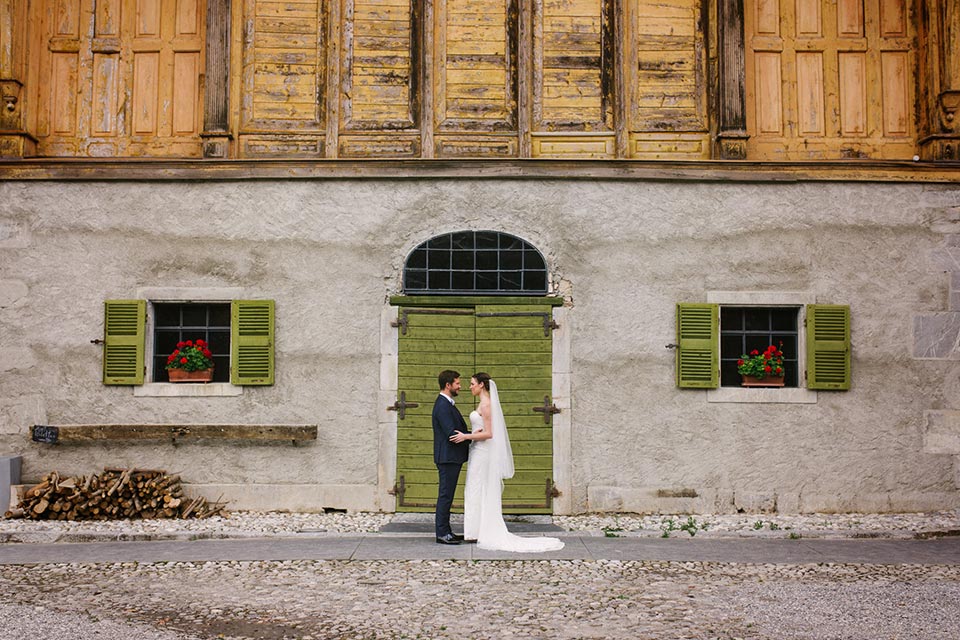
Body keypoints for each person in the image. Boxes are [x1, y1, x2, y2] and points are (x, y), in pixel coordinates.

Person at [450, 373, 564, 552]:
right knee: (476, 488)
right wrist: (474, 432)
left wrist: (467, 436)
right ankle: (475, 530)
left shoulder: (486, 405)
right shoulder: (483, 403)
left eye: (472, 384)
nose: (470, 387)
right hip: (478, 451)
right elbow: (484, 429)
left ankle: (478, 531)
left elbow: (490, 434)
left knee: (477, 487)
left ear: (481, 385)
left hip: (482, 453)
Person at [431, 369, 470, 544]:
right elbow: (451, 434)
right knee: (445, 495)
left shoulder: (447, 403)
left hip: (451, 457)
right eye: (457, 383)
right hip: (447, 458)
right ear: (448, 385)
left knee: (448, 495)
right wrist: (472, 437)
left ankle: (447, 531)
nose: (460, 387)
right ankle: (442, 533)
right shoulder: (442, 405)